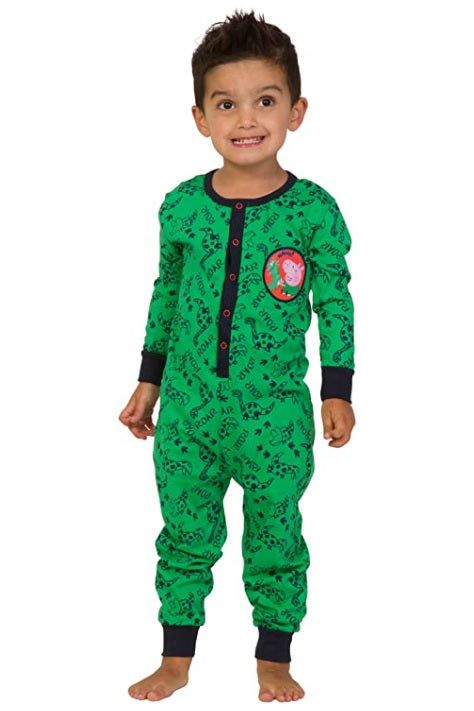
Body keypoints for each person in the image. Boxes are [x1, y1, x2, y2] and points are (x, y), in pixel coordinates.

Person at [119, 8, 356, 703]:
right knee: (183, 532)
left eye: (265, 101)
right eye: (226, 104)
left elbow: (335, 301)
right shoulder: (182, 208)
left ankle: (273, 658)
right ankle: (176, 657)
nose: (246, 118)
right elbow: (166, 295)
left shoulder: (313, 211)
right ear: (200, 117)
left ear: (296, 111)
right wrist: (147, 382)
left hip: (273, 416)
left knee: (276, 534)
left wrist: (337, 389)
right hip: (189, 411)